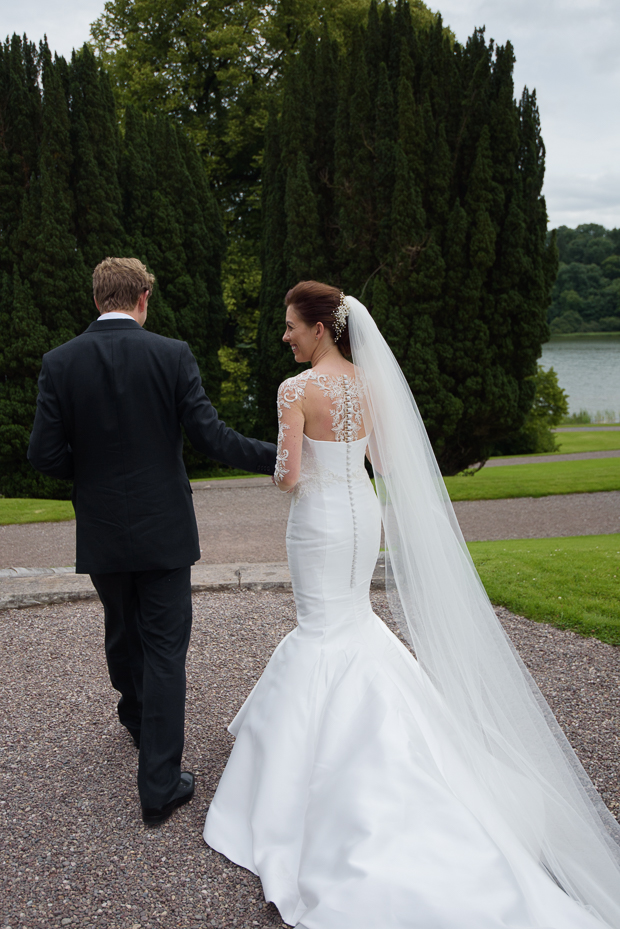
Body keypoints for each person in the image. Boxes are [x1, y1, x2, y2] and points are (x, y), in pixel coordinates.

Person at [203, 281, 620, 928]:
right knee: (352, 622)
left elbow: (287, 474)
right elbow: (388, 460)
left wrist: (296, 464)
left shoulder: (295, 391)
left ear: (320, 328)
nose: (284, 335)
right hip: (360, 511)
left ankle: (309, 777)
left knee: (321, 628)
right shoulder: (370, 385)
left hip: (316, 522)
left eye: (290, 325)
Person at [28, 257, 276, 826]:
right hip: (164, 527)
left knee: (121, 627)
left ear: (97, 300)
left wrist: (90, 477)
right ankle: (159, 785)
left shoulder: (59, 362)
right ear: (143, 298)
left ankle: (138, 720)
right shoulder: (171, 355)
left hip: (103, 528)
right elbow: (211, 436)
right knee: (165, 649)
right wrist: (278, 455)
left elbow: (43, 454)